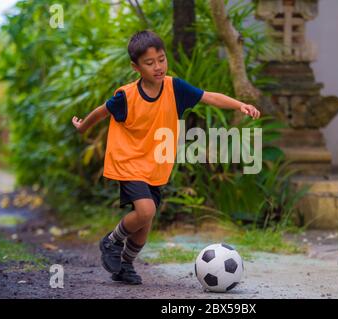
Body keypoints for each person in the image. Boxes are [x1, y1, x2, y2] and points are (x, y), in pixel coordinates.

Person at [71, 30, 260, 285]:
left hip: (156, 166)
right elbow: (102, 111)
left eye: (161, 59)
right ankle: (111, 241)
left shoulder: (174, 88)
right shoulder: (126, 96)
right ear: (136, 67)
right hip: (128, 161)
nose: (158, 67)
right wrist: (84, 126)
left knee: (144, 227)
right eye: (149, 63)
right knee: (146, 210)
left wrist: (240, 105)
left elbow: (208, 96)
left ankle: (124, 266)